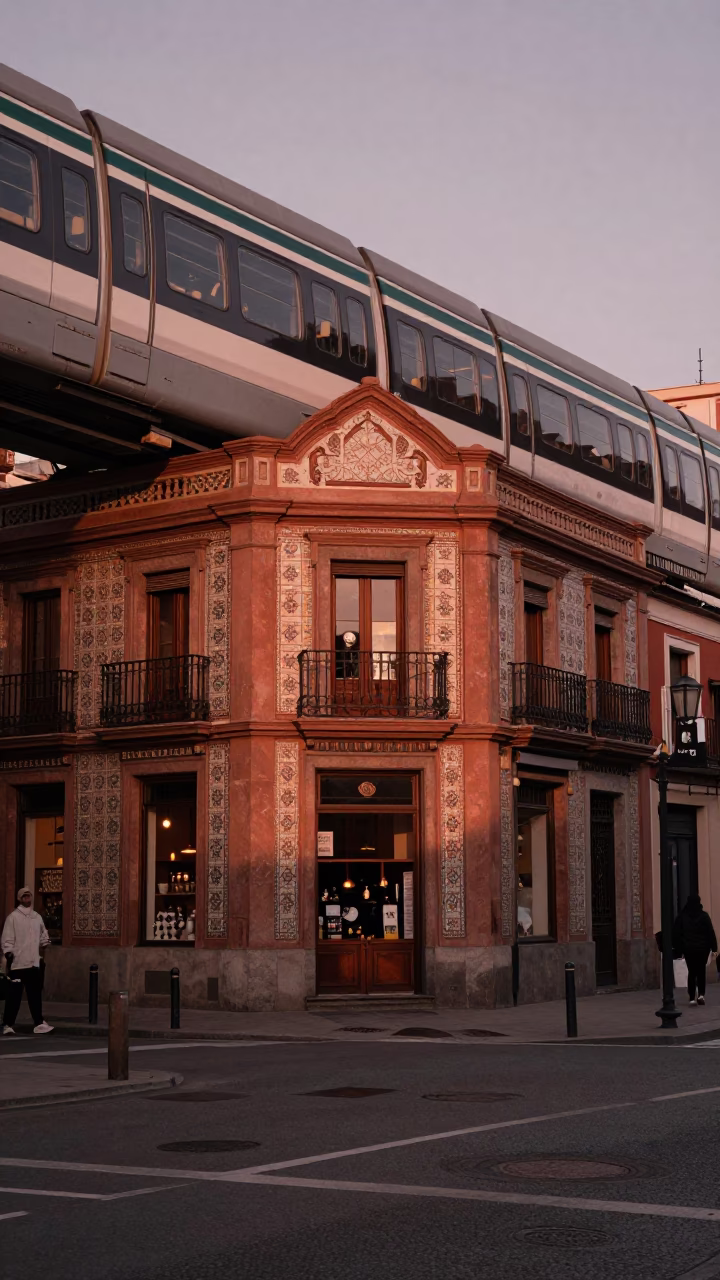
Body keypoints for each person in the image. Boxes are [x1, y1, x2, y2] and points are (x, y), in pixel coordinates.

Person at [2, 887, 53, 1034]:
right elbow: (7, 938)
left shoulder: (37, 917)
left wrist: (44, 942)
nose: (27, 899)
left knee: (34, 995)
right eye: (24, 897)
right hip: (18, 963)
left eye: (28, 896)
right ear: (20, 899)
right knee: (14, 996)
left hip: (33, 962)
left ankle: (38, 1022)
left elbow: (44, 934)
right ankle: (7, 1024)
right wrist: (8, 953)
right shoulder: (13, 917)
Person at [672, 894, 718, 1006]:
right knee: (701, 971)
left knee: (692, 972)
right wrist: (714, 948)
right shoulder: (704, 916)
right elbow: (710, 932)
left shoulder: (682, 916)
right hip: (703, 949)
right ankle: (701, 994)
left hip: (689, 949)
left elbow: (676, 934)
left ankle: (692, 997)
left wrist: (678, 949)